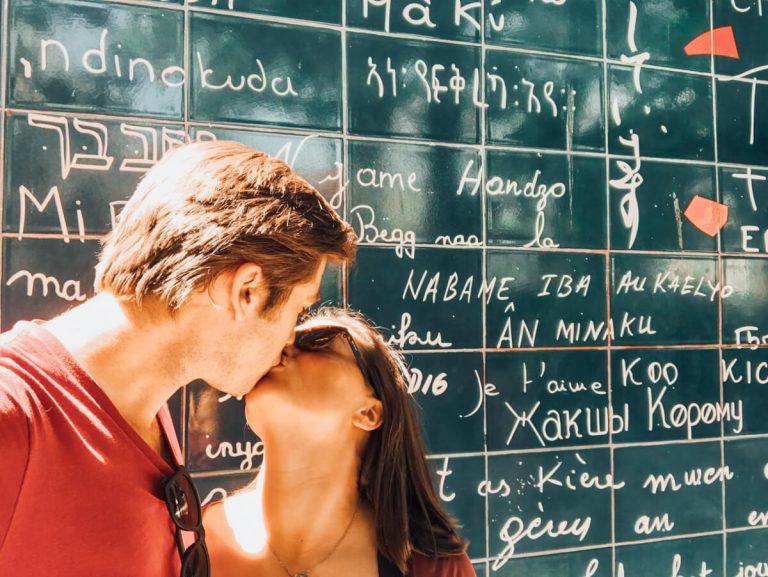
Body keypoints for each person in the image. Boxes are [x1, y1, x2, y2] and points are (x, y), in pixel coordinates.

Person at [0, 141, 356, 577]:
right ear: (247, 291)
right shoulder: (13, 419)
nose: (291, 339)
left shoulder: (144, 410)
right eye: (298, 310)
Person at [203, 307, 476, 577]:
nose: (283, 347)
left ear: (368, 413)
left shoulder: (432, 565)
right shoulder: (189, 538)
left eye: (317, 343)